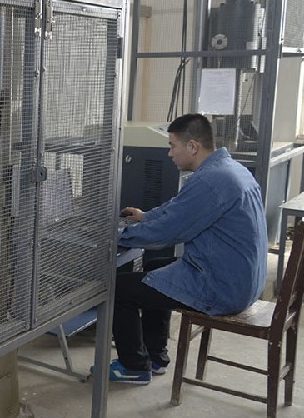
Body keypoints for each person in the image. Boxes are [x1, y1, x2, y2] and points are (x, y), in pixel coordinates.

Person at [110, 113, 269, 384]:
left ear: (193, 146)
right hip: (240, 279)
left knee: (119, 289)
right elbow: (180, 207)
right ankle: (156, 356)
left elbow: (168, 232)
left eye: (172, 146)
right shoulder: (228, 169)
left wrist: (118, 237)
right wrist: (145, 217)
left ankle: (134, 366)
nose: (170, 153)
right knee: (154, 267)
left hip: (221, 287)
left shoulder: (211, 181)